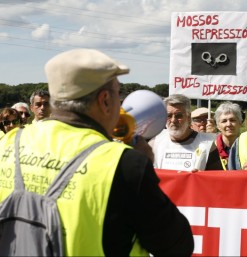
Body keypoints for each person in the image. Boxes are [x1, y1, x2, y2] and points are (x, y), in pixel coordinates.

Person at [0, 48, 193, 256]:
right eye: (118, 94)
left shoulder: (10, 142)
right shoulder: (124, 163)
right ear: (105, 101)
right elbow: (176, 246)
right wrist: (143, 165)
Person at [149, 94, 215, 172]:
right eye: (169, 116)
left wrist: (202, 176)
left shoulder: (209, 144)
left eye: (178, 115)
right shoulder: (155, 142)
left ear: (188, 117)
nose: (173, 120)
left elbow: (216, 178)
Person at [206, 101, 243, 170]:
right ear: (218, 126)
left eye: (232, 120)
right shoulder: (209, 149)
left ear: (240, 123)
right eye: (224, 121)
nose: (228, 124)